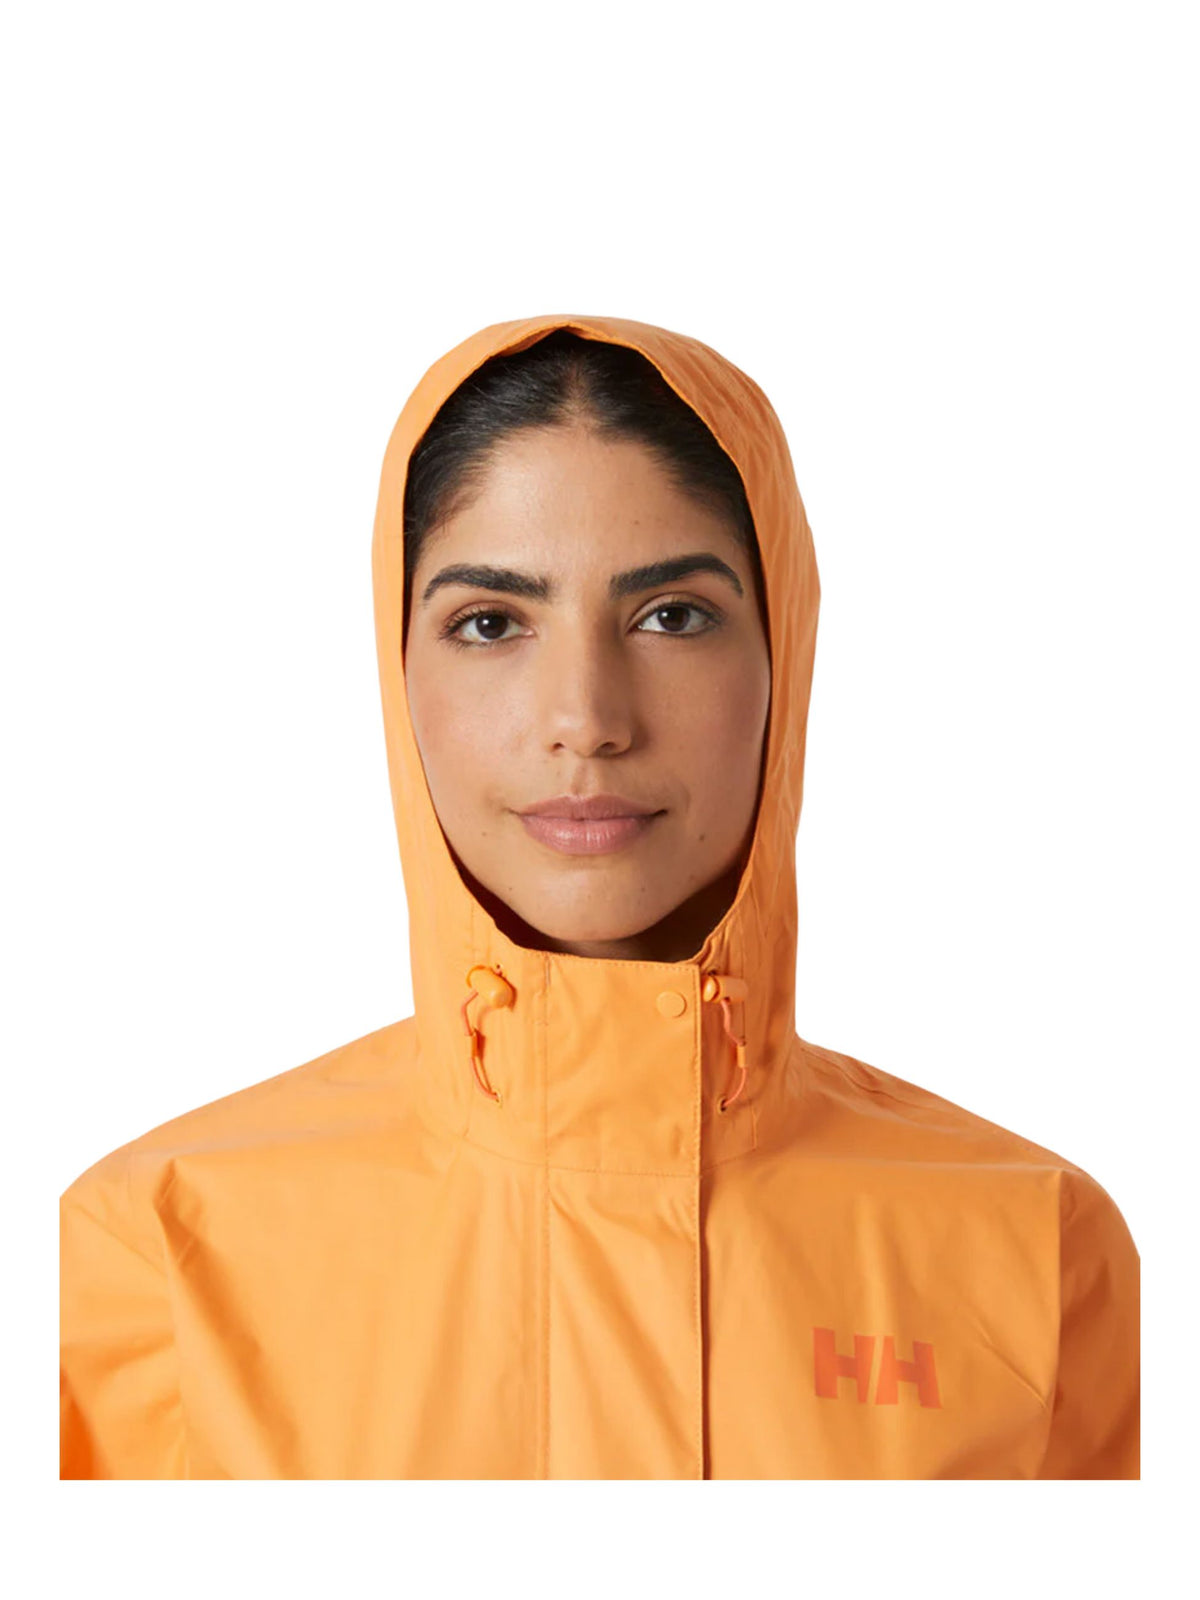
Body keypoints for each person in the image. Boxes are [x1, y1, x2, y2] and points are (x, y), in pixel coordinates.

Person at [59, 313, 1140, 1479]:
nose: (586, 717)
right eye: (491, 623)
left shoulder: (1033, 1249)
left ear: (784, 652)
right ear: (397, 665)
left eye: (672, 615)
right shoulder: (160, 1256)